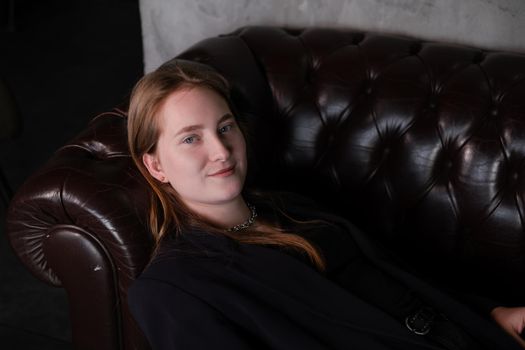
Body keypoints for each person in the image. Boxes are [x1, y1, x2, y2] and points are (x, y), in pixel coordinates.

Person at [127, 59, 525, 350]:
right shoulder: (172, 288)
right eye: (191, 138)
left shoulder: (289, 206)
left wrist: (488, 315)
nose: (221, 151)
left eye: (225, 127)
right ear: (156, 164)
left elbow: (393, 276)